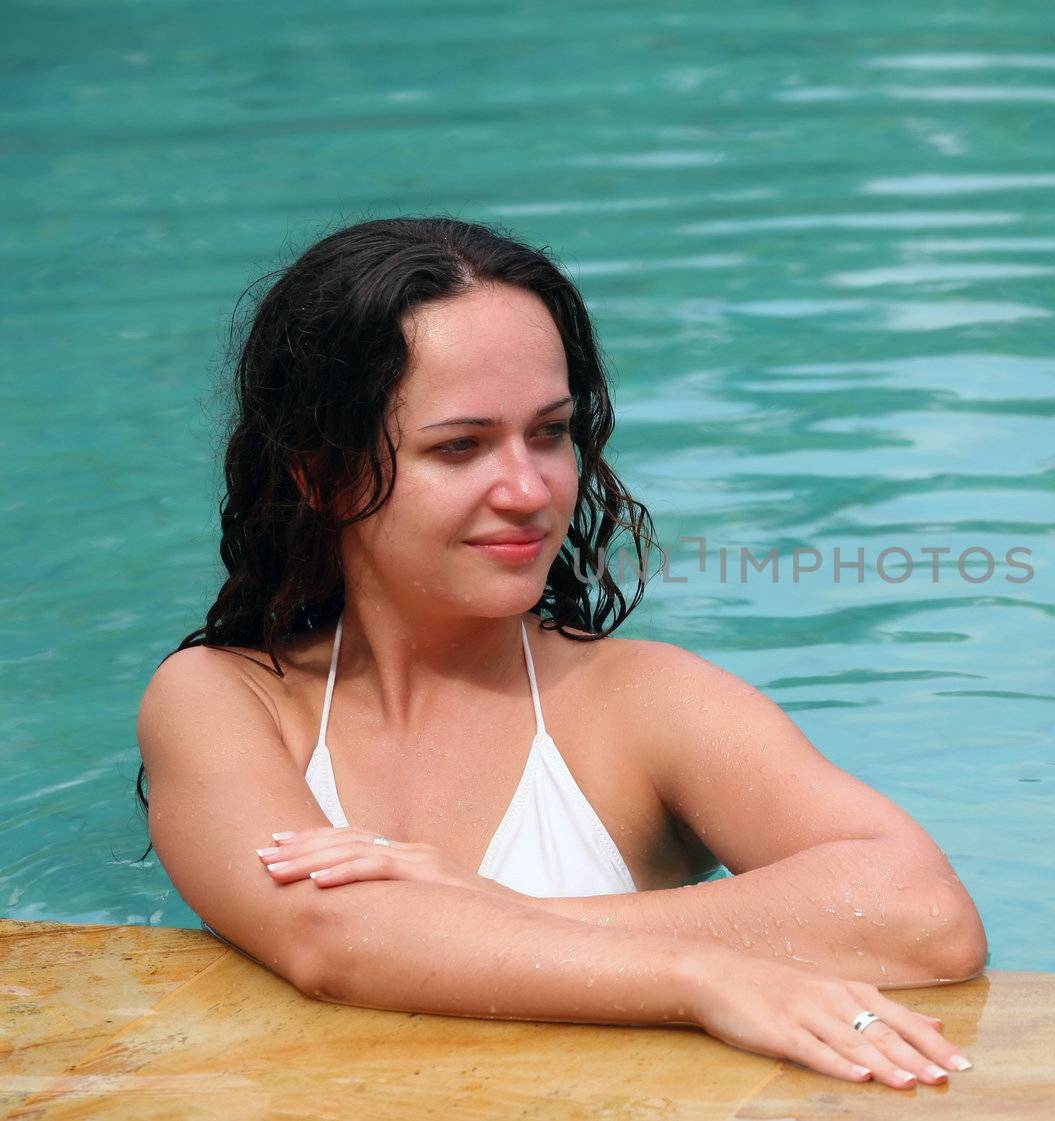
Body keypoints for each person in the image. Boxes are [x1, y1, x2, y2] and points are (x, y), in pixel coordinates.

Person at [136, 217, 987, 1089]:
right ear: (323, 476)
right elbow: (329, 938)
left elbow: (925, 916)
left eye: (549, 432)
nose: (530, 489)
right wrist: (700, 976)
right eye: (459, 446)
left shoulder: (639, 702)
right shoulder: (226, 700)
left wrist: (500, 909)